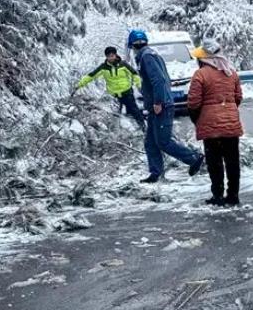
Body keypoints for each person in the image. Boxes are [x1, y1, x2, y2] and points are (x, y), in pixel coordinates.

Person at [127, 30, 205, 183]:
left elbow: (159, 81)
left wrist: (158, 102)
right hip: (156, 105)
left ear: (132, 45)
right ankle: (156, 173)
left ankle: (194, 158)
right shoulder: (149, 54)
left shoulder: (147, 57)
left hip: (161, 106)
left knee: (163, 141)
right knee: (150, 142)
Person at [187, 39, 243, 206]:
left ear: (204, 59)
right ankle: (233, 195)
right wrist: (228, 112)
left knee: (215, 162)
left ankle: (217, 195)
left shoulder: (201, 74)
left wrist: (198, 118)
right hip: (231, 125)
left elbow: (193, 102)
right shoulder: (231, 72)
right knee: (233, 161)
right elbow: (238, 97)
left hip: (210, 126)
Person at [76, 47, 145, 128]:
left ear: (116, 55)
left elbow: (134, 74)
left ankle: (143, 128)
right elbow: (91, 76)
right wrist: (79, 85)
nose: (111, 57)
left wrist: (139, 85)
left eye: (112, 55)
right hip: (114, 96)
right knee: (115, 116)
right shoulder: (103, 67)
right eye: (109, 56)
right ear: (106, 57)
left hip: (127, 93)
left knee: (134, 112)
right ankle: (119, 133)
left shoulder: (123, 64)